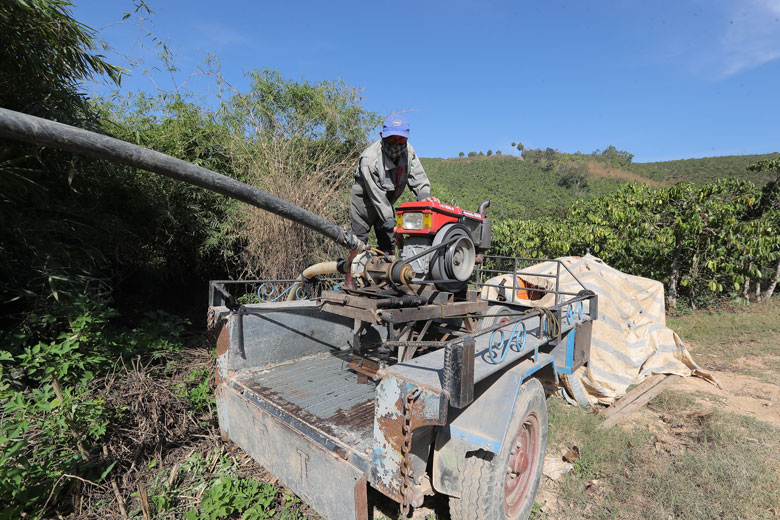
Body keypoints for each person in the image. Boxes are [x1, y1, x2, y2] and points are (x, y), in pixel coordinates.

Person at [349, 114, 438, 253]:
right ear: (382, 135)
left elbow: (418, 177)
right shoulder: (369, 160)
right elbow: (377, 197)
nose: (397, 142)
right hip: (364, 208)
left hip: (386, 206)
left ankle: (383, 272)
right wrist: (393, 226)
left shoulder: (409, 152)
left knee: (388, 249)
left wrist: (424, 196)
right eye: (392, 138)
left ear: (407, 137)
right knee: (356, 248)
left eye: (401, 138)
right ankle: (352, 274)